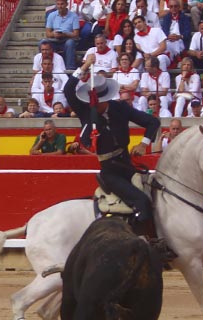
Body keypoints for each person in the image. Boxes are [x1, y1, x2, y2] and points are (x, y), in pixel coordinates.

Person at [64, 58, 162, 241]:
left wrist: (143, 143)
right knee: (141, 201)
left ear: (105, 99)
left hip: (128, 165)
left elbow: (152, 121)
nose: (94, 105)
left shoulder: (120, 108)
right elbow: (68, 90)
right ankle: (136, 243)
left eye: (97, 102)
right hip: (110, 171)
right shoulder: (87, 111)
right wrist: (84, 66)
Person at [45, 0, 80, 70]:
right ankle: (45, 66)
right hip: (54, 40)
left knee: (70, 43)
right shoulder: (51, 15)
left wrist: (64, 34)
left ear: (66, 4)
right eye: (58, 4)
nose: (60, 6)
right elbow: (48, 33)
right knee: (42, 43)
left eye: (62, 4)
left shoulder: (74, 16)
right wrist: (53, 34)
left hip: (67, 39)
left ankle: (70, 68)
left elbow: (76, 34)